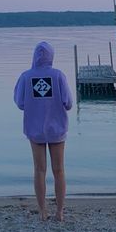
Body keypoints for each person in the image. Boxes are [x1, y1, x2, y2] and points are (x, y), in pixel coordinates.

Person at [13, 41, 73, 221]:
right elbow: (68, 103)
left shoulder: (25, 77)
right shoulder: (58, 76)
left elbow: (20, 102)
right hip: (57, 129)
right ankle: (60, 211)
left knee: (39, 170)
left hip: (35, 129)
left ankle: (42, 211)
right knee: (59, 170)